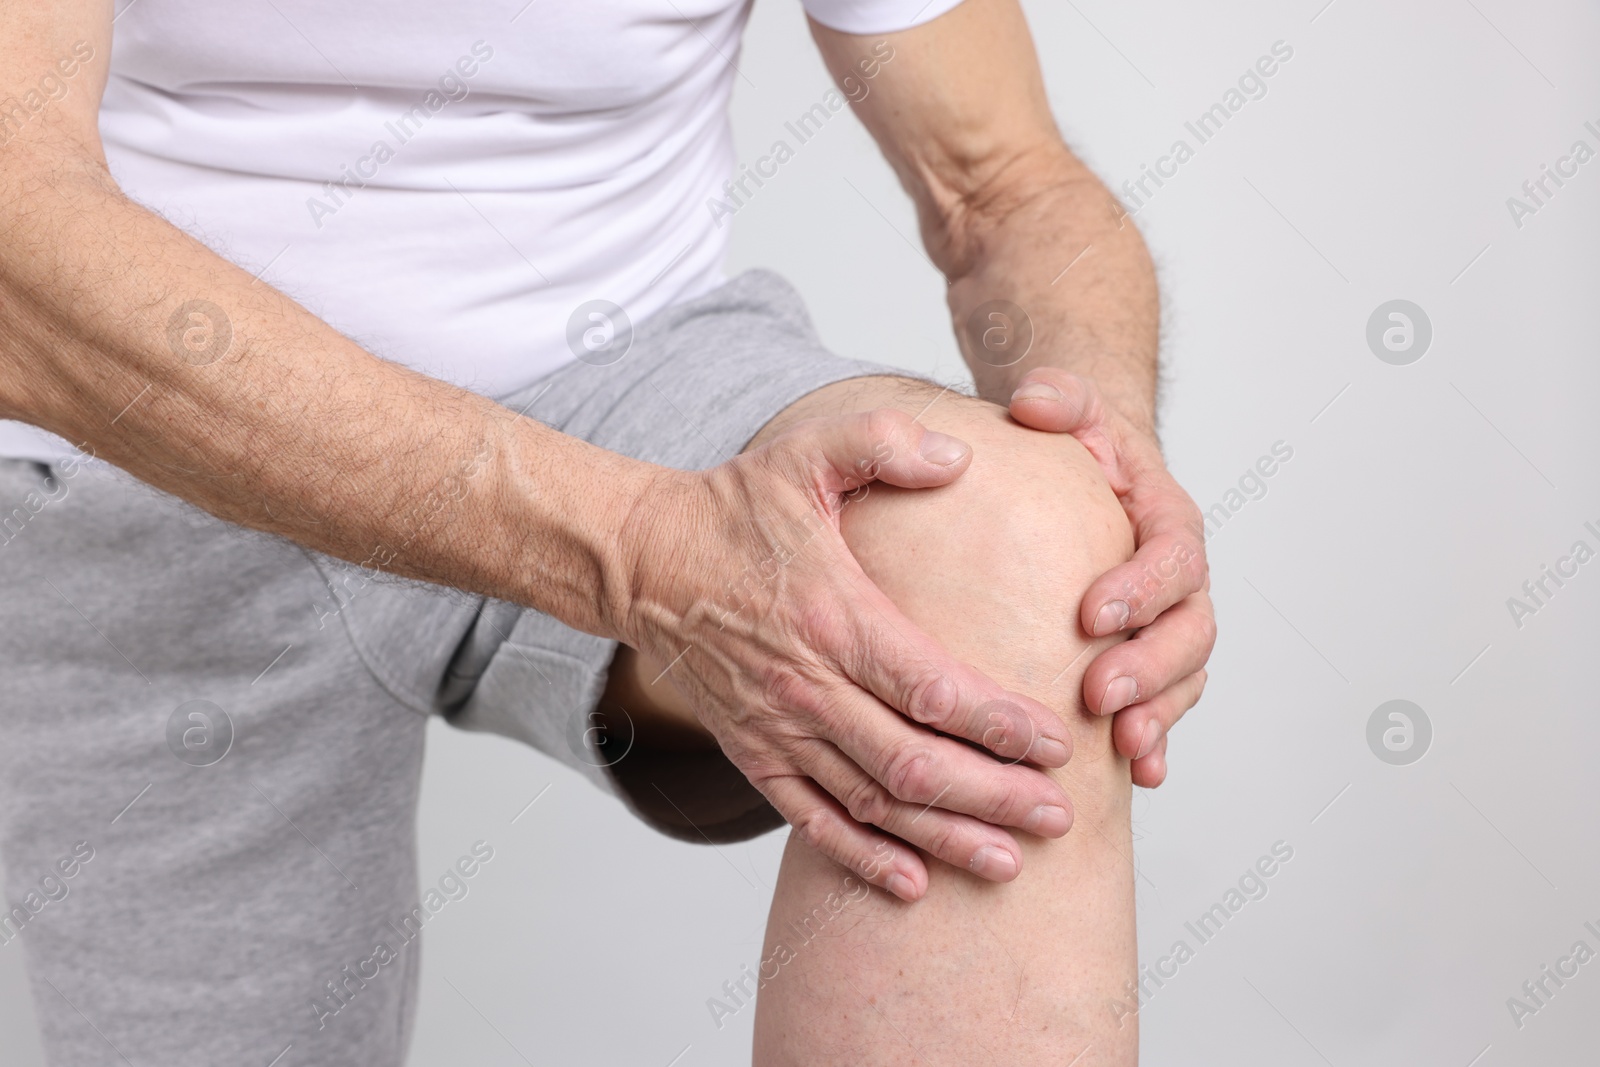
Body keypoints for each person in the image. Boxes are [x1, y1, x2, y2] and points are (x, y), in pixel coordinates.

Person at [0, 0, 1212, 1063]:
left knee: (1017, 564)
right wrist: (630, 545)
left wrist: (1108, 461)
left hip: (613, 380)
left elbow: (999, 178)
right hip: (144, 437)